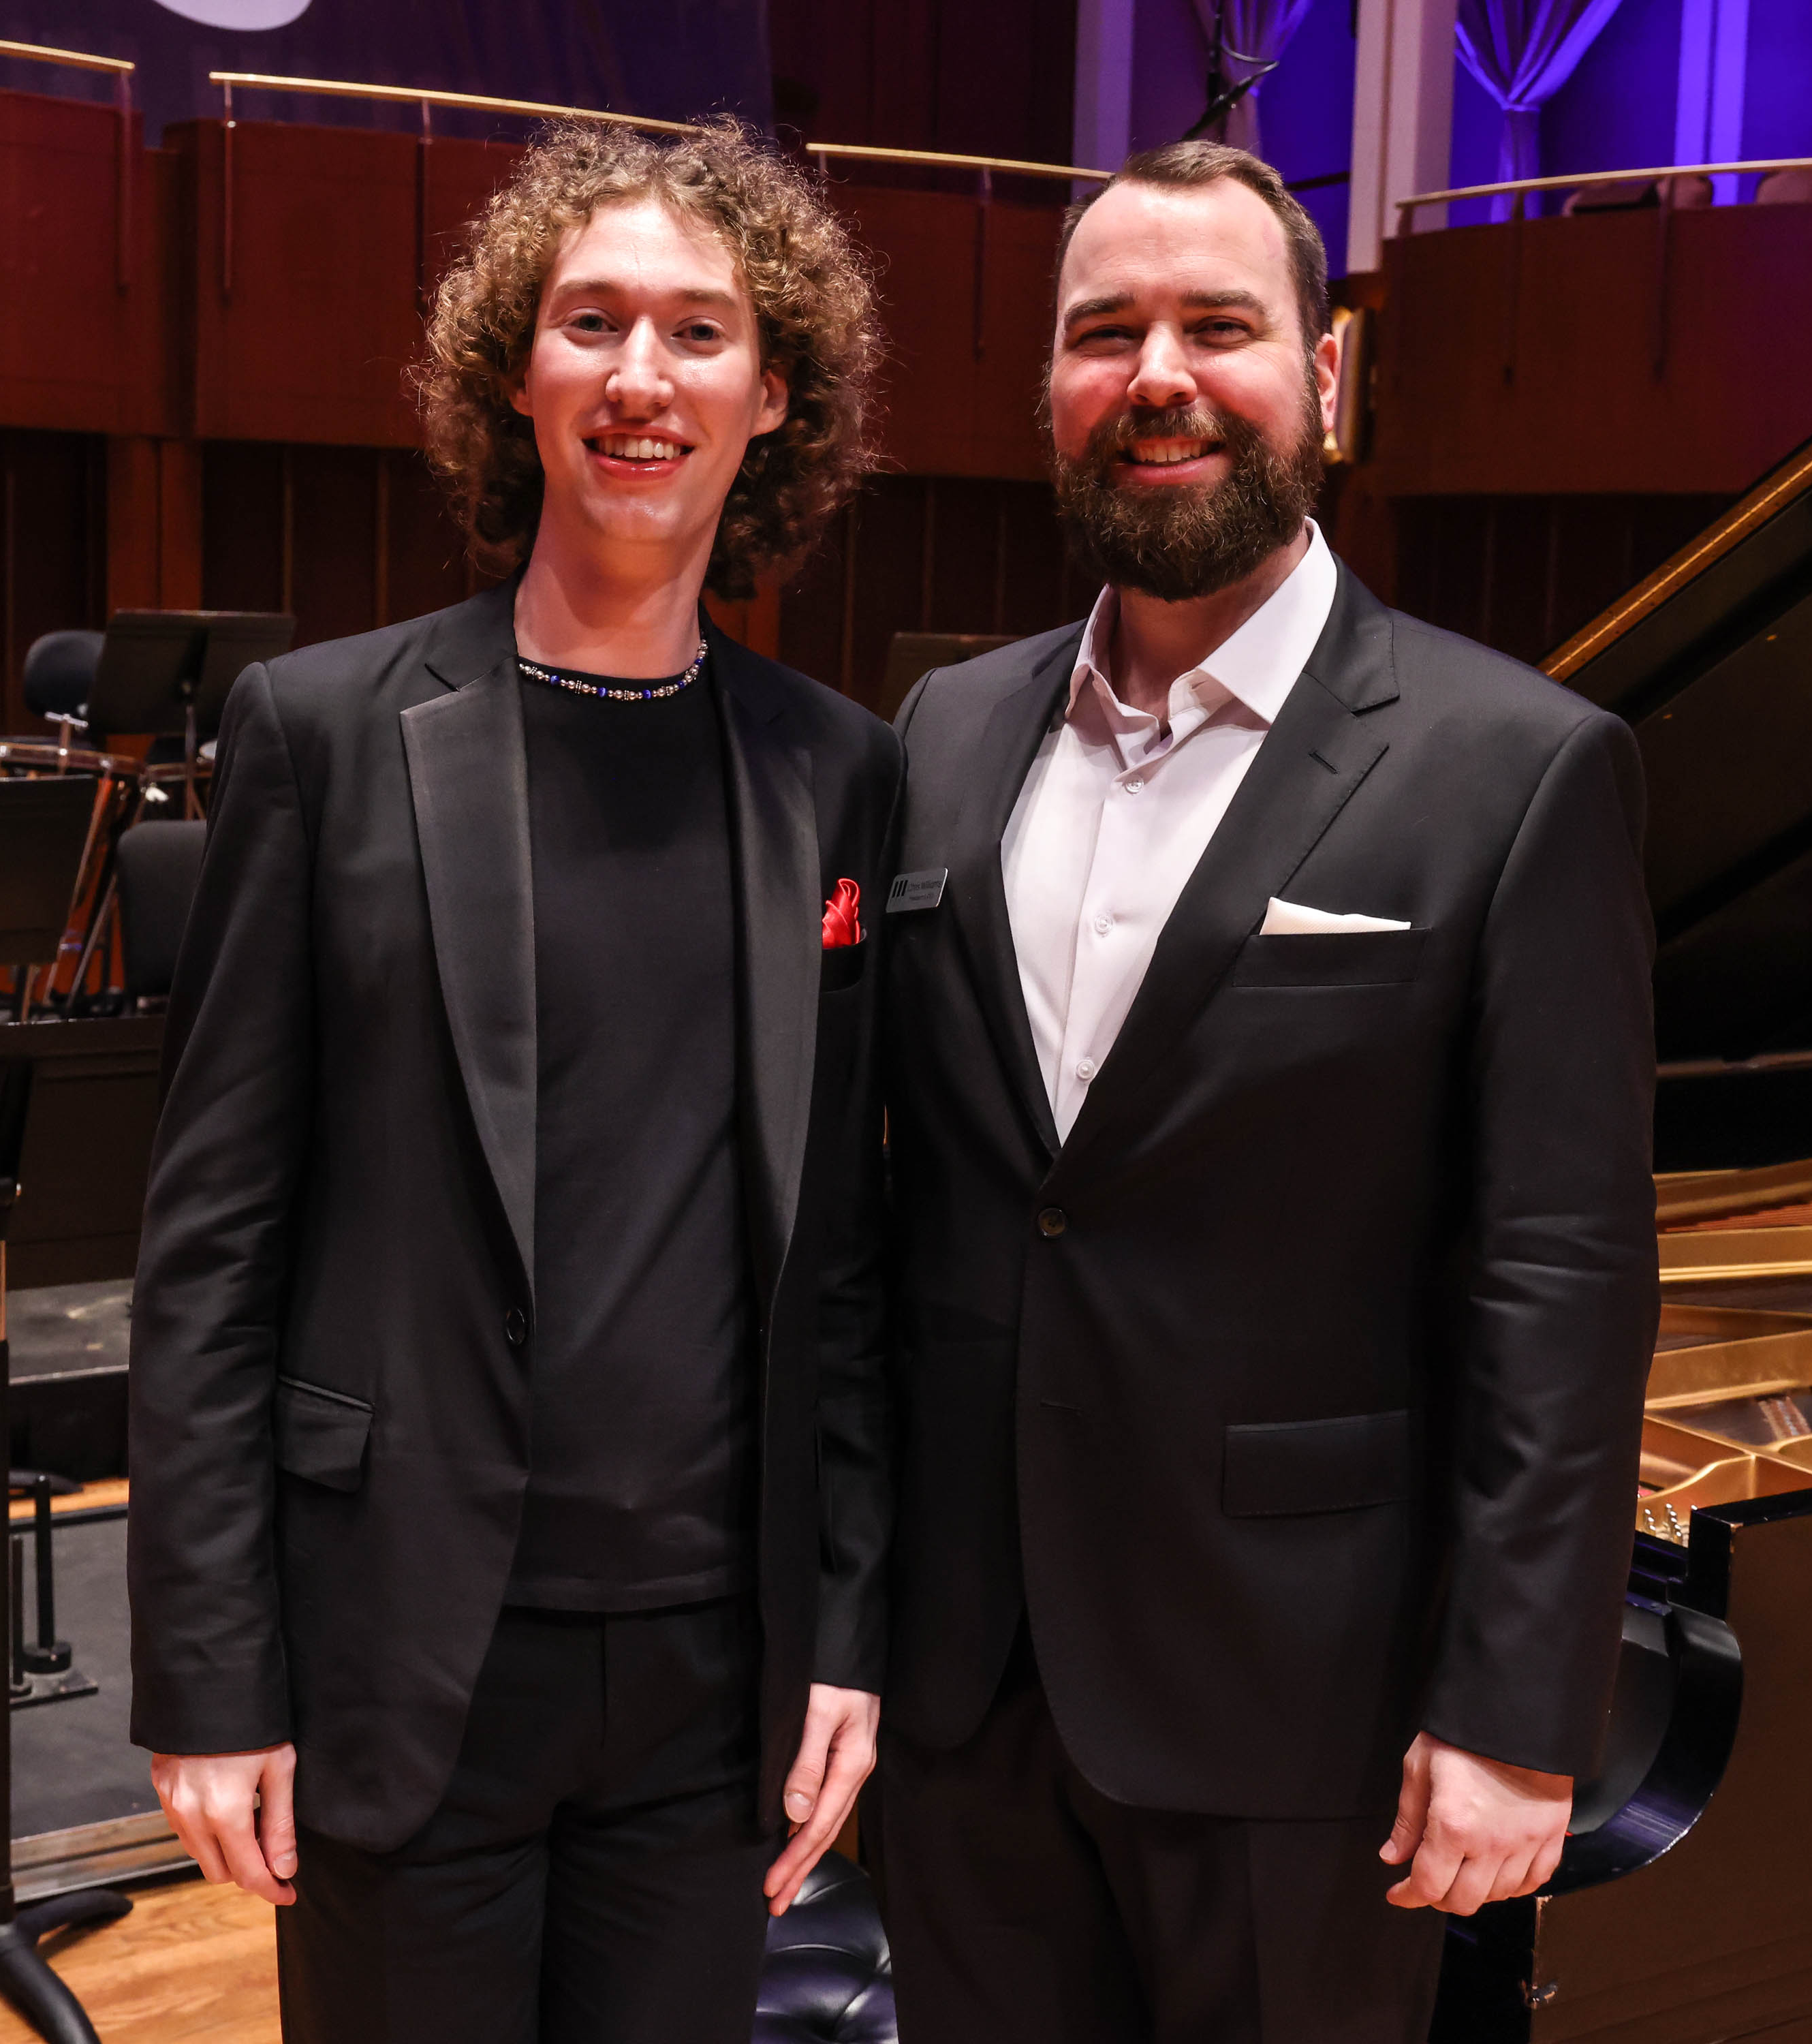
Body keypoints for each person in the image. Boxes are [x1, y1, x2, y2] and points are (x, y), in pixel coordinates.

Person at [872, 140, 1659, 2043]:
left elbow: (1559, 1272)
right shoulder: (943, 733)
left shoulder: (1516, 765)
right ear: (1051, 386)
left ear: (1322, 373)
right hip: (965, 1690)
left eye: (1216, 326)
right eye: (1104, 332)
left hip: (1306, 1697)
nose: (1157, 376)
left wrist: (1514, 1712)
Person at [126, 117, 897, 2044]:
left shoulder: (836, 771)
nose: (643, 376)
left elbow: (848, 1262)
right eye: (592, 321)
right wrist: (211, 1671)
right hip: (403, 1645)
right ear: (516, 371)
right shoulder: (323, 732)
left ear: (772, 396)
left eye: (699, 331)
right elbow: (211, 1245)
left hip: (715, 1680)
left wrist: (846, 1629)